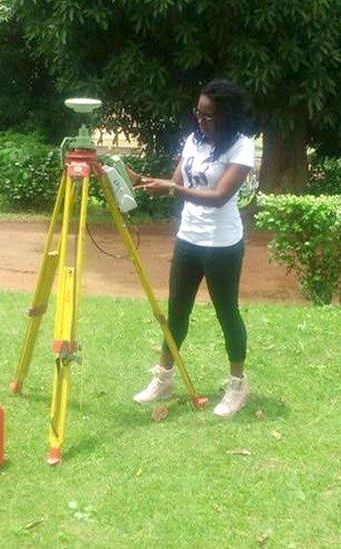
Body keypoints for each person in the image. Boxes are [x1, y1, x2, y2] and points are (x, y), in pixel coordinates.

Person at [128, 79, 254, 418]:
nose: (201, 121)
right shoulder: (192, 142)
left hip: (223, 244)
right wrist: (136, 178)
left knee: (227, 313)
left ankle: (237, 385)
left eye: (208, 116)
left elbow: (219, 197)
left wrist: (170, 190)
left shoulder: (241, 147)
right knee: (176, 312)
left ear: (226, 115)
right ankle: (164, 377)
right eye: (198, 114)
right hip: (189, 239)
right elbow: (178, 183)